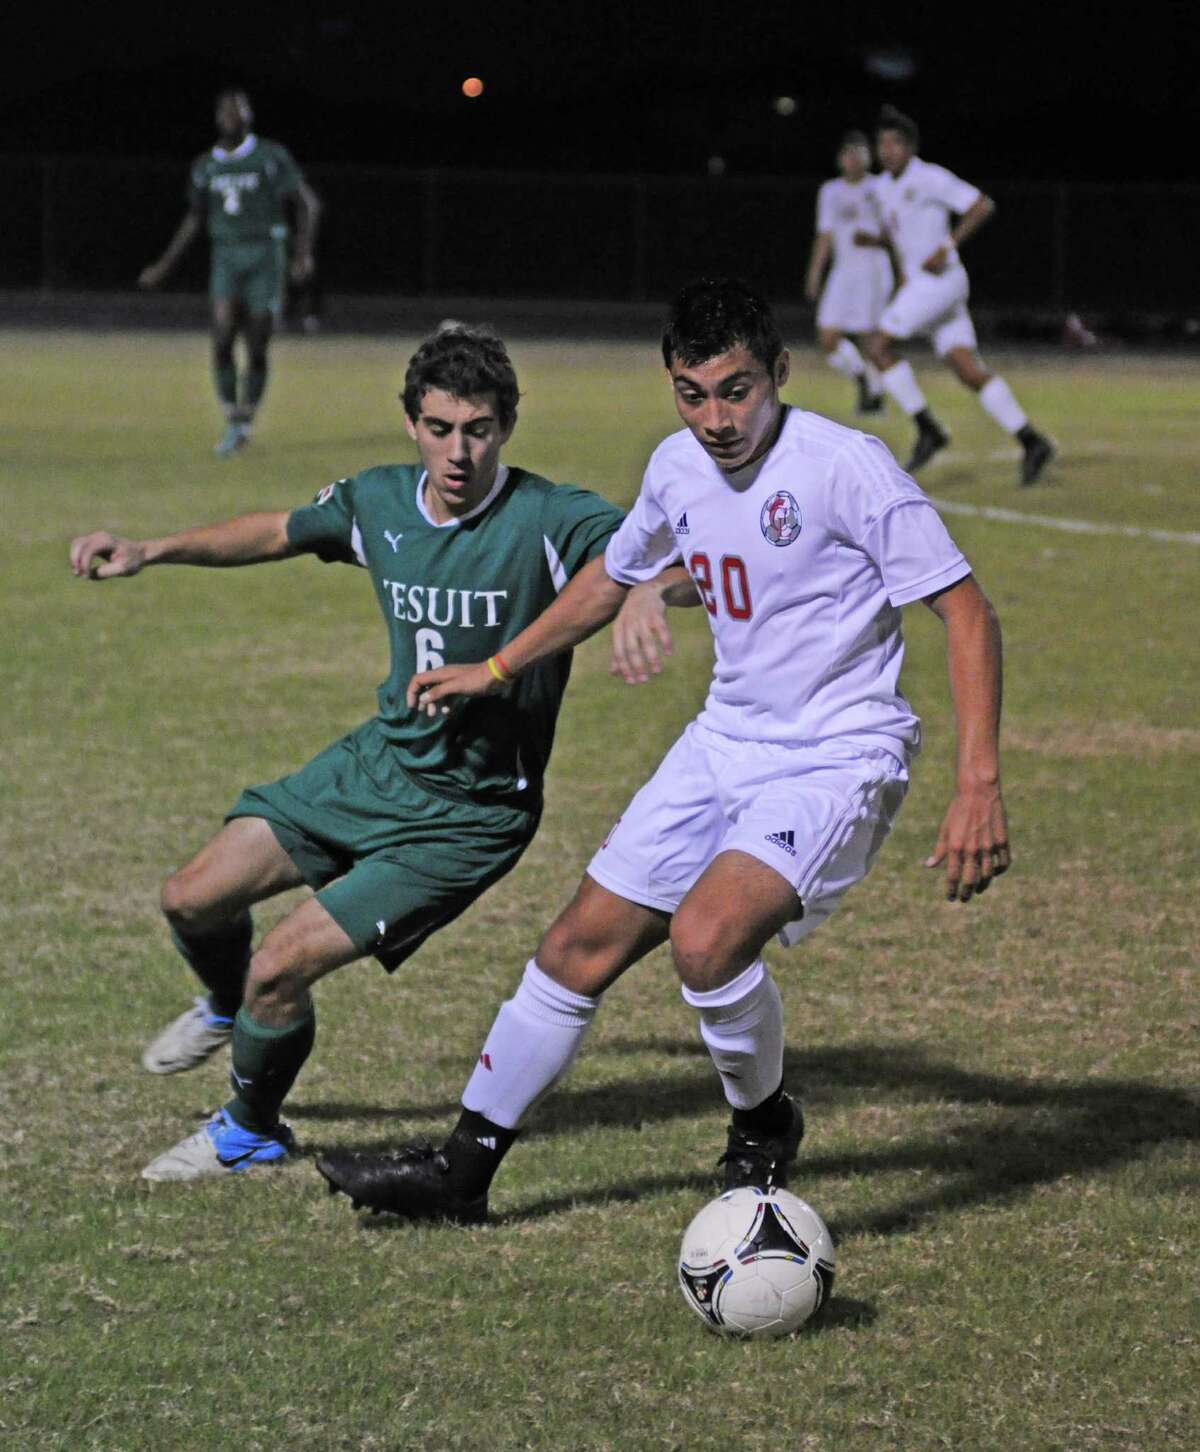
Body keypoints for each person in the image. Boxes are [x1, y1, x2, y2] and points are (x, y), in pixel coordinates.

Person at [316, 277, 1012, 1225]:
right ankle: (461, 1172)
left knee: (705, 941)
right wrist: (499, 665)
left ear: (779, 373)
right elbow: (614, 575)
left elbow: (964, 611)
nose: (716, 418)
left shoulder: (846, 465)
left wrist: (979, 782)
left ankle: (763, 1124)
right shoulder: (676, 467)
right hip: (721, 742)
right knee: (572, 949)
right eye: (692, 393)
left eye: (736, 390)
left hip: (835, 754)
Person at [67, 325, 643, 1183]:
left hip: (468, 816)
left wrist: (625, 604)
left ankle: (250, 1130)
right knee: (190, 899)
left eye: (478, 429)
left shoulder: (546, 517)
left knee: (280, 967)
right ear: (411, 424)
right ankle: (228, 1009)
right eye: (440, 428)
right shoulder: (378, 502)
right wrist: (154, 549)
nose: (459, 451)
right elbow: (278, 530)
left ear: (507, 426)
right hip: (378, 766)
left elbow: (643, 556)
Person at [864, 105, 1054, 485]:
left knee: (877, 346)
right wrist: (902, 271)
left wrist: (948, 245)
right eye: (882, 143)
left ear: (911, 147)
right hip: (924, 286)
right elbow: (902, 234)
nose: (887, 150)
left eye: (895, 143)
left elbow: (981, 205)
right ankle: (1032, 441)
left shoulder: (930, 176)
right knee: (968, 370)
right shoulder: (882, 188)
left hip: (939, 282)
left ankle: (928, 429)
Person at [139, 89, 321, 456]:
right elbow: (195, 218)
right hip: (226, 257)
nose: (230, 115)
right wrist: (164, 265)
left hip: (265, 257)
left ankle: (245, 419)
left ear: (249, 116)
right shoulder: (206, 165)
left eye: (238, 109)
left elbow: (308, 203)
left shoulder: (270, 156)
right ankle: (233, 420)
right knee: (222, 335)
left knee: (256, 342)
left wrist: (302, 254)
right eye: (224, 109)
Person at [804, 130, 892, 415]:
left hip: (873, 270)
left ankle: (874, 400)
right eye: (847, 152)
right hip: (843, 272)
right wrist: (815, 274)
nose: (852, 158)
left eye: (859, 152)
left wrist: (876, 240)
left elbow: (901, 234)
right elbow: (824, 235)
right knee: (828, 336)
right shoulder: (830, 191)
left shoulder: (882, 187)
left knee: (869, 338)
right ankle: (866, 380)